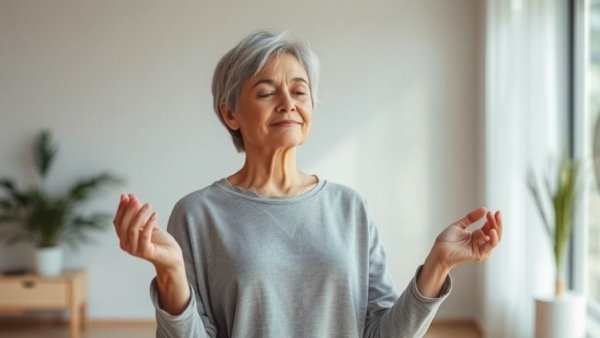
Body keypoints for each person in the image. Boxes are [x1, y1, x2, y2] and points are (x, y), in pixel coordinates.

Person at [113, 30, 503, 338]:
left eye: (299, 90)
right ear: (230, 113)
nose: (288, 102)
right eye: (266, 92)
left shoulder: (351, 208)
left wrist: (439, 264)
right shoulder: (198, 214)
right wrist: (170, 274)